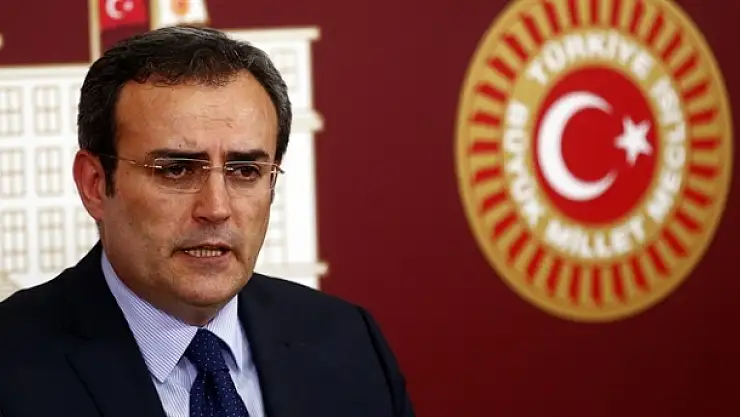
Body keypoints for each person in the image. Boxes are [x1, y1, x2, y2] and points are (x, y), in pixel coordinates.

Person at [0, 26, 414, 417]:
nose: (216, 208)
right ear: (95, 185)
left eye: (245, 171)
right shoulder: (12, 362)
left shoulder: (349, 343)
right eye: (177, 170)